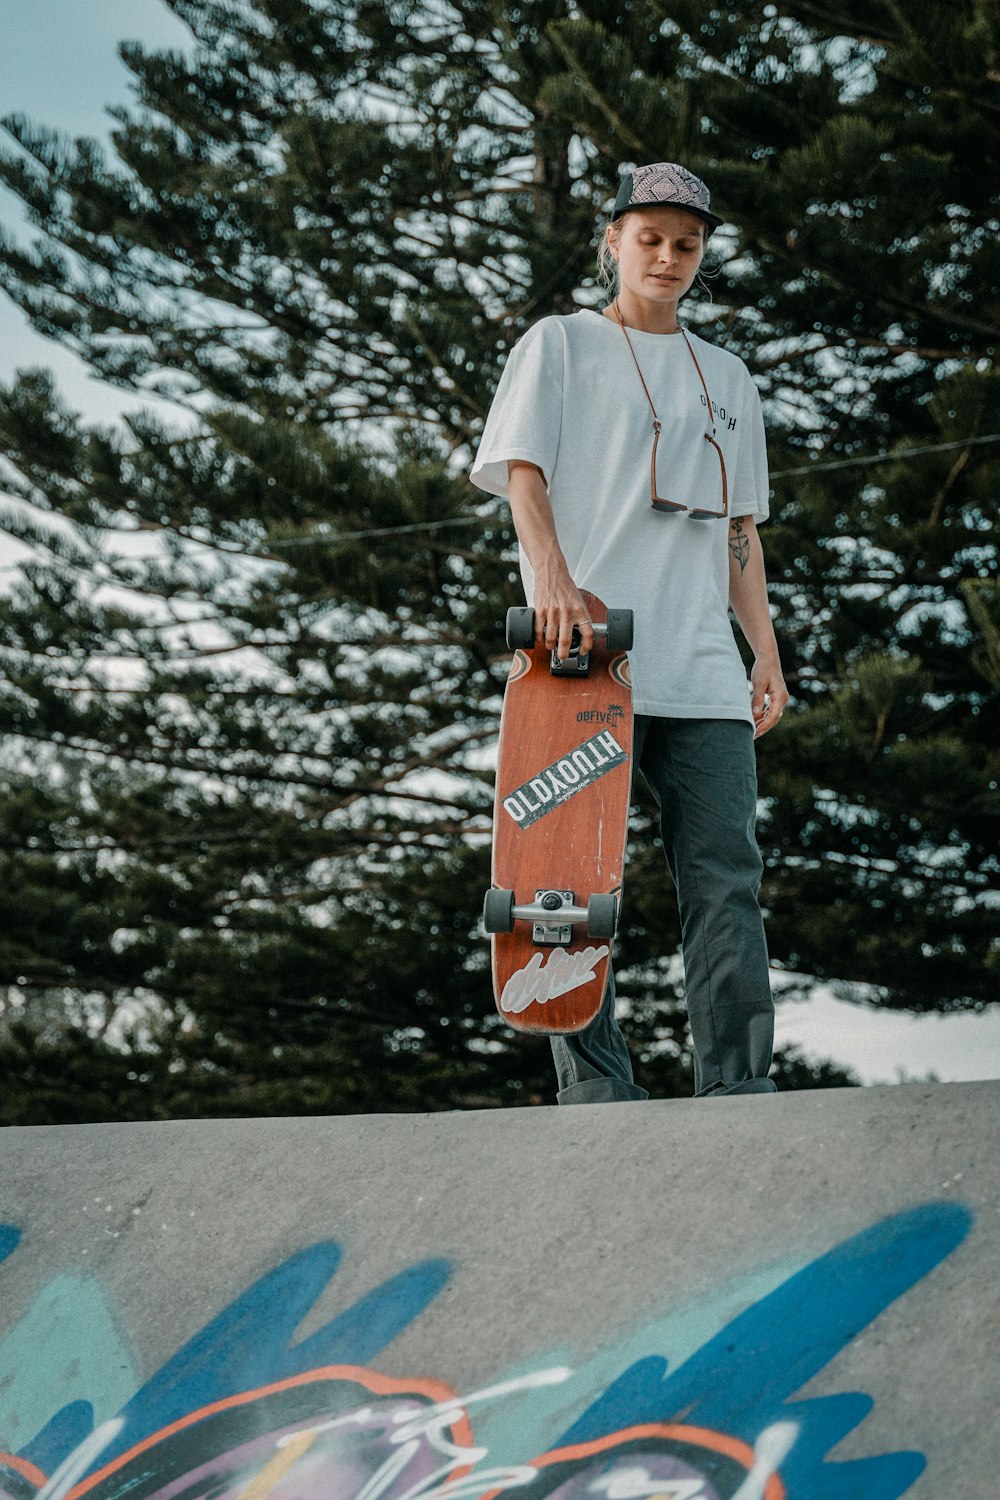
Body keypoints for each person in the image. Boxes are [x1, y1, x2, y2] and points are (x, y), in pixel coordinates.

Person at [469, 162, 789, 1102]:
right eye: (647, 238)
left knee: (726, 879)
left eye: (685, 244)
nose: (666, 257)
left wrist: (763, 649)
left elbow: (740, 531)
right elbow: (522, 476)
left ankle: (737, 1085)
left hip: (700, 667)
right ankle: (597, 1090)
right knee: (563, 881)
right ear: (613, 241)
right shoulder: (560, 346)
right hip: (584, 658)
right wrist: (557, 585)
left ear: (701, 257)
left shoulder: (727, 375)